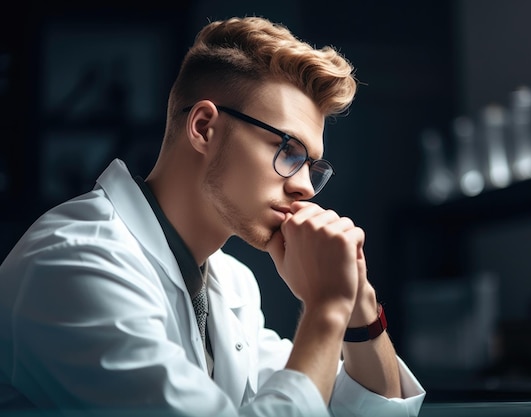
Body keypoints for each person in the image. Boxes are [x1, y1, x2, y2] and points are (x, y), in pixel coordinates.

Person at [0, 16, 425, 416]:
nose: (307, 189)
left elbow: (364, 408)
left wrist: (358, 300)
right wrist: (326, 306)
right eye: (288, 151)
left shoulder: (231, 282)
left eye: (312, 166)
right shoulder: (73, 262)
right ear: (204, 127)